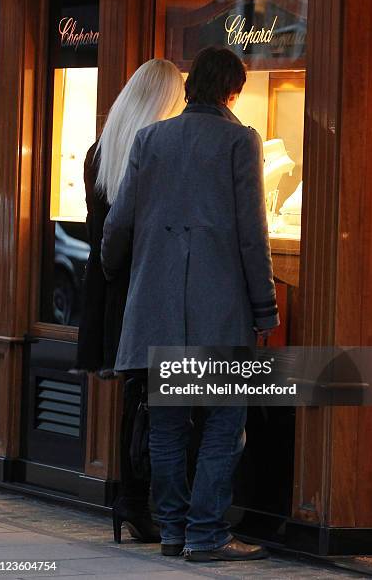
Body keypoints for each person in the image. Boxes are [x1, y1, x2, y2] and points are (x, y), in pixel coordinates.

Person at [100, 47, 279, 561]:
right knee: (225, 422)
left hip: (154, 308)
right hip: (219, 311)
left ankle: (174, 530)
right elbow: (252, 234)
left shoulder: (149, 138)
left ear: (189, 86)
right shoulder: (240, 141)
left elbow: (120, 223)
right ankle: (207, 533)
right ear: (233, 91)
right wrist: (264, 308)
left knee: (168, 425)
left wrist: (115, 272)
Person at [76, 58, 185, 543]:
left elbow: (101, 233)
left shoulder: (100, 152)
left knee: (135, 398)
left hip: (110, 288)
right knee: (155, 402)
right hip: (147, 289)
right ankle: (142, 502)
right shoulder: (159, 153)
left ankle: (131, 501)